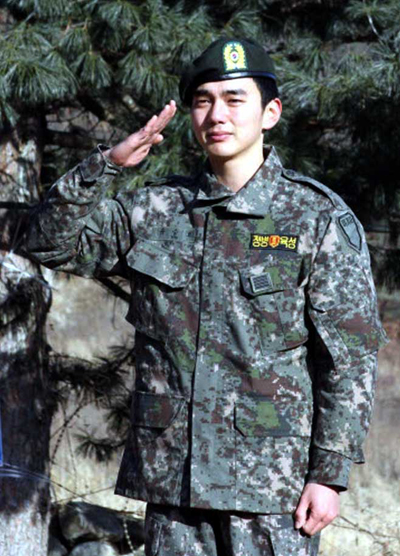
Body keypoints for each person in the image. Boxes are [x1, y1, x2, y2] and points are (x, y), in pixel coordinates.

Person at [27, 38, 387, 556]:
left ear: (270, 113)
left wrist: (329, 474)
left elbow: (349, 357)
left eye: (235, 100)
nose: (217, 115)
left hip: (271, 489)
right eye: (203, 101)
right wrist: (105, 165)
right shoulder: (156, 211)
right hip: (174, 483)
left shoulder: (316, 219)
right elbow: (47, 242)